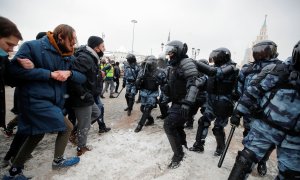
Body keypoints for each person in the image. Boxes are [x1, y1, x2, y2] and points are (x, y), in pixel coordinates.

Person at [3, 24, 85, 179]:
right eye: (71, 40)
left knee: (37, 134)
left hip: (53, 101)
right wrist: (49, 74)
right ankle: (58, 161)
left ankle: (14, 172)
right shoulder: (31, 46)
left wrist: (70, 73)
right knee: (67, 126)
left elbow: (82, 77)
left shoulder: (68, 55)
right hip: (34, 100)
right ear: (60, 36)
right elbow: (13, 73)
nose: (73, 44)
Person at [228, 41, 300, 180]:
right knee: (246, 158)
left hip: (295, 136)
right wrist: (238, 111)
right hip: (266, 124)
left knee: (291, 174)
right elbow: (253, 89)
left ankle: (262, 162)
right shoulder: (280, 70)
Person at [1, 32, 47, 168]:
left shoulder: (40, 54)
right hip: (28, 96)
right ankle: (12, 156)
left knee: (27, 127)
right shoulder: (31, 51)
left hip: (34, 96)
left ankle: (16, 154)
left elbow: (10, 78)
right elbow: (15, 78)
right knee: (26, 128)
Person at [235, 40, 281, 176]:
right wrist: (240, 108)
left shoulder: (279, 68)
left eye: (264, 51)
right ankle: (248, 161)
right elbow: (239, 89)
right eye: (257, 51)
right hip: (249, 110)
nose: (260, 54)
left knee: (269, 142)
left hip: (267, 114)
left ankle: (263, 161)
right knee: (248, 136)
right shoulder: (247, 69)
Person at [189, 48, 239, 156]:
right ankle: (198, 145)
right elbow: (206, 78)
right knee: (203, 121)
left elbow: (215, 73)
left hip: (224, 104)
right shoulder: (215, 67)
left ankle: (221, 148)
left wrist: (195, 62)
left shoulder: (231, 68)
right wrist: (196, 82)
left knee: (217, 128)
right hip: (211, 102)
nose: (214, 59)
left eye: (216, 56)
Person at [69, 36, 110, 156]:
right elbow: (74, 78)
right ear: (96, 48)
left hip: (88, 95)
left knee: (96, 113)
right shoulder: (85, 58)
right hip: (82, 97)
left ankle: (75, 132)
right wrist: (83, 94)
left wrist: (98, 75)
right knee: (85, 123)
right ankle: (81, 147)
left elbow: (88, 76)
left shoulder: (92, 57)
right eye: (102, 46)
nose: (104, 48)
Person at [163, 40, 200, 169]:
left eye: (171, 51)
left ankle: (178, 155)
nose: (169, 54)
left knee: (169, 124)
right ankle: (183, 144)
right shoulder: (174, 64)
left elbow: (194, 84)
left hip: (184, 103)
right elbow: (174, 84)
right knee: (177, 126)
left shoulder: (186, 63)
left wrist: (187, 103)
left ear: (178, 50)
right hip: (177, 102)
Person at [0, 16, 23, 133]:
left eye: (14, 46)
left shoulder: (3, 58)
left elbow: (11, 80)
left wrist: (24, 67)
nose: (10, 49)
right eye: (9, 44)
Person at [134, 56, 167, 132]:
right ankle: (150, 119)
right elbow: (137, 82)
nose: (147, 65)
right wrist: (139, 81)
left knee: (147, 108)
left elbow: (165, 83)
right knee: (142, 108)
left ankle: (140, 124)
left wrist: (164, 94)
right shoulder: (143, 71)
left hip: (153, 93)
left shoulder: (159, 72)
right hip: (144, 92)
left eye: (149, 64)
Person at [156, 54, 169, 119]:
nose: (158, 62)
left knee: (164, 103)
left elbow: (164, 80)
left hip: (166, 89)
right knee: (161, 102)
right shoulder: (161, 68)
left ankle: (167, 115)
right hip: (163, 89)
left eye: (159, 60)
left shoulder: (167, 68)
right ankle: (164, 114)